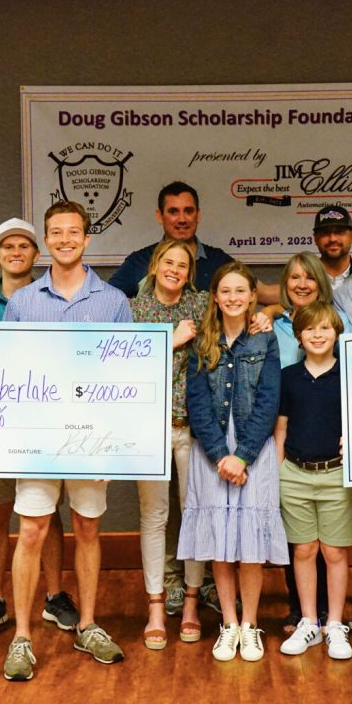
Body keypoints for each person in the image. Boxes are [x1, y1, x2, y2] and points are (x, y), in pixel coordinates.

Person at [0, 200, 132, 681]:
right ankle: (21, 637)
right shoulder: (24, 302)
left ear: (86, 238)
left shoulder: (114, 301)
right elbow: (7, 374)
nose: (64, 240)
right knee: (32, 531)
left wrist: (114, 442)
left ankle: (90, 625)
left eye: (72, 232)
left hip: (91, 438)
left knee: (87, 528)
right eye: (55, 233)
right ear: (45, 242)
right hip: (37, 437)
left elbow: (127, 376)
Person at [0, 218, 77, 639]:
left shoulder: (48, 300)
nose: (15, 252)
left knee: (47, 513)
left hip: (44, 425)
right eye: (7, 246)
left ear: (35, 254)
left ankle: (55, 595)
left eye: (23, 246)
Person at [179, 261, 288, 663]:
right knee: (220, 541)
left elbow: (268, 400)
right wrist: (220, 454)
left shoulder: (265, 338)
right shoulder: (202, 339)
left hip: (253, 451)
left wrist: (241, 456)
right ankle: (227, 623)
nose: (233, 298)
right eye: (225, 291)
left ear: (252, 296)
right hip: (211, 453)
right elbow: (197, 402)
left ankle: (250, 624)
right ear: (215, 296)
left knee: (251, 543)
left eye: (240, 291)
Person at [128, 239, 209, 649]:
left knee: (194, 514)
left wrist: (266, 316)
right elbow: (122, 366)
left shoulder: (202, 306)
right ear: (156, 265)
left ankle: (192, 602)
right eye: (168, 262)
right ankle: (156, 605)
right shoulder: (133, 309)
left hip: (193, 429)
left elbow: (242, 305)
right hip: (149, 428)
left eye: (183, 264)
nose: (175, 269)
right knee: (153, 517)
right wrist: (170, 340)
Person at [272, 252, 352, 631]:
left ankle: (332, 619)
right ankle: (304, 614)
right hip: (295, 462)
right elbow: (281, 424)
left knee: (333, 549)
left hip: (334, 467)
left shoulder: (346, 353)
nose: (302, 283)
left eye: (309, 277)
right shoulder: (273, 329)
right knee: (301, 546)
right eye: (294, 278)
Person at [108, 180, 278, 304]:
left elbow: (264, 293)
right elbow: (106, 302)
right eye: (173, 211)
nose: (182, 219)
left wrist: (274, 309)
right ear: (160, 216)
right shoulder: (139, 261)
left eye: (188, 211)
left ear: (198, 215)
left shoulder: (219, 262)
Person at [311, 204, 352, 291]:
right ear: (315, 238)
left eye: (339, 232)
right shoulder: (303, 280)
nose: (332, 239)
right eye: (325, 232)